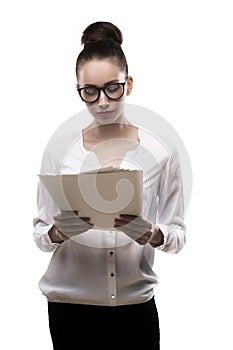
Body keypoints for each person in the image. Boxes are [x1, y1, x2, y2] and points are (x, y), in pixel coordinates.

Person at [33, 21, 186, 350]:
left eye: (112, 88)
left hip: (135, 308)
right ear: (78, 90)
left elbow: (178, 235)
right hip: (69, 310)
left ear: (128, 84)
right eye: (90, 91)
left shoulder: (160, 153)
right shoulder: (59, 151)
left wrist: (153, 234)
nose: (102, 101)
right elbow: (40, 235)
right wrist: (59, 232)